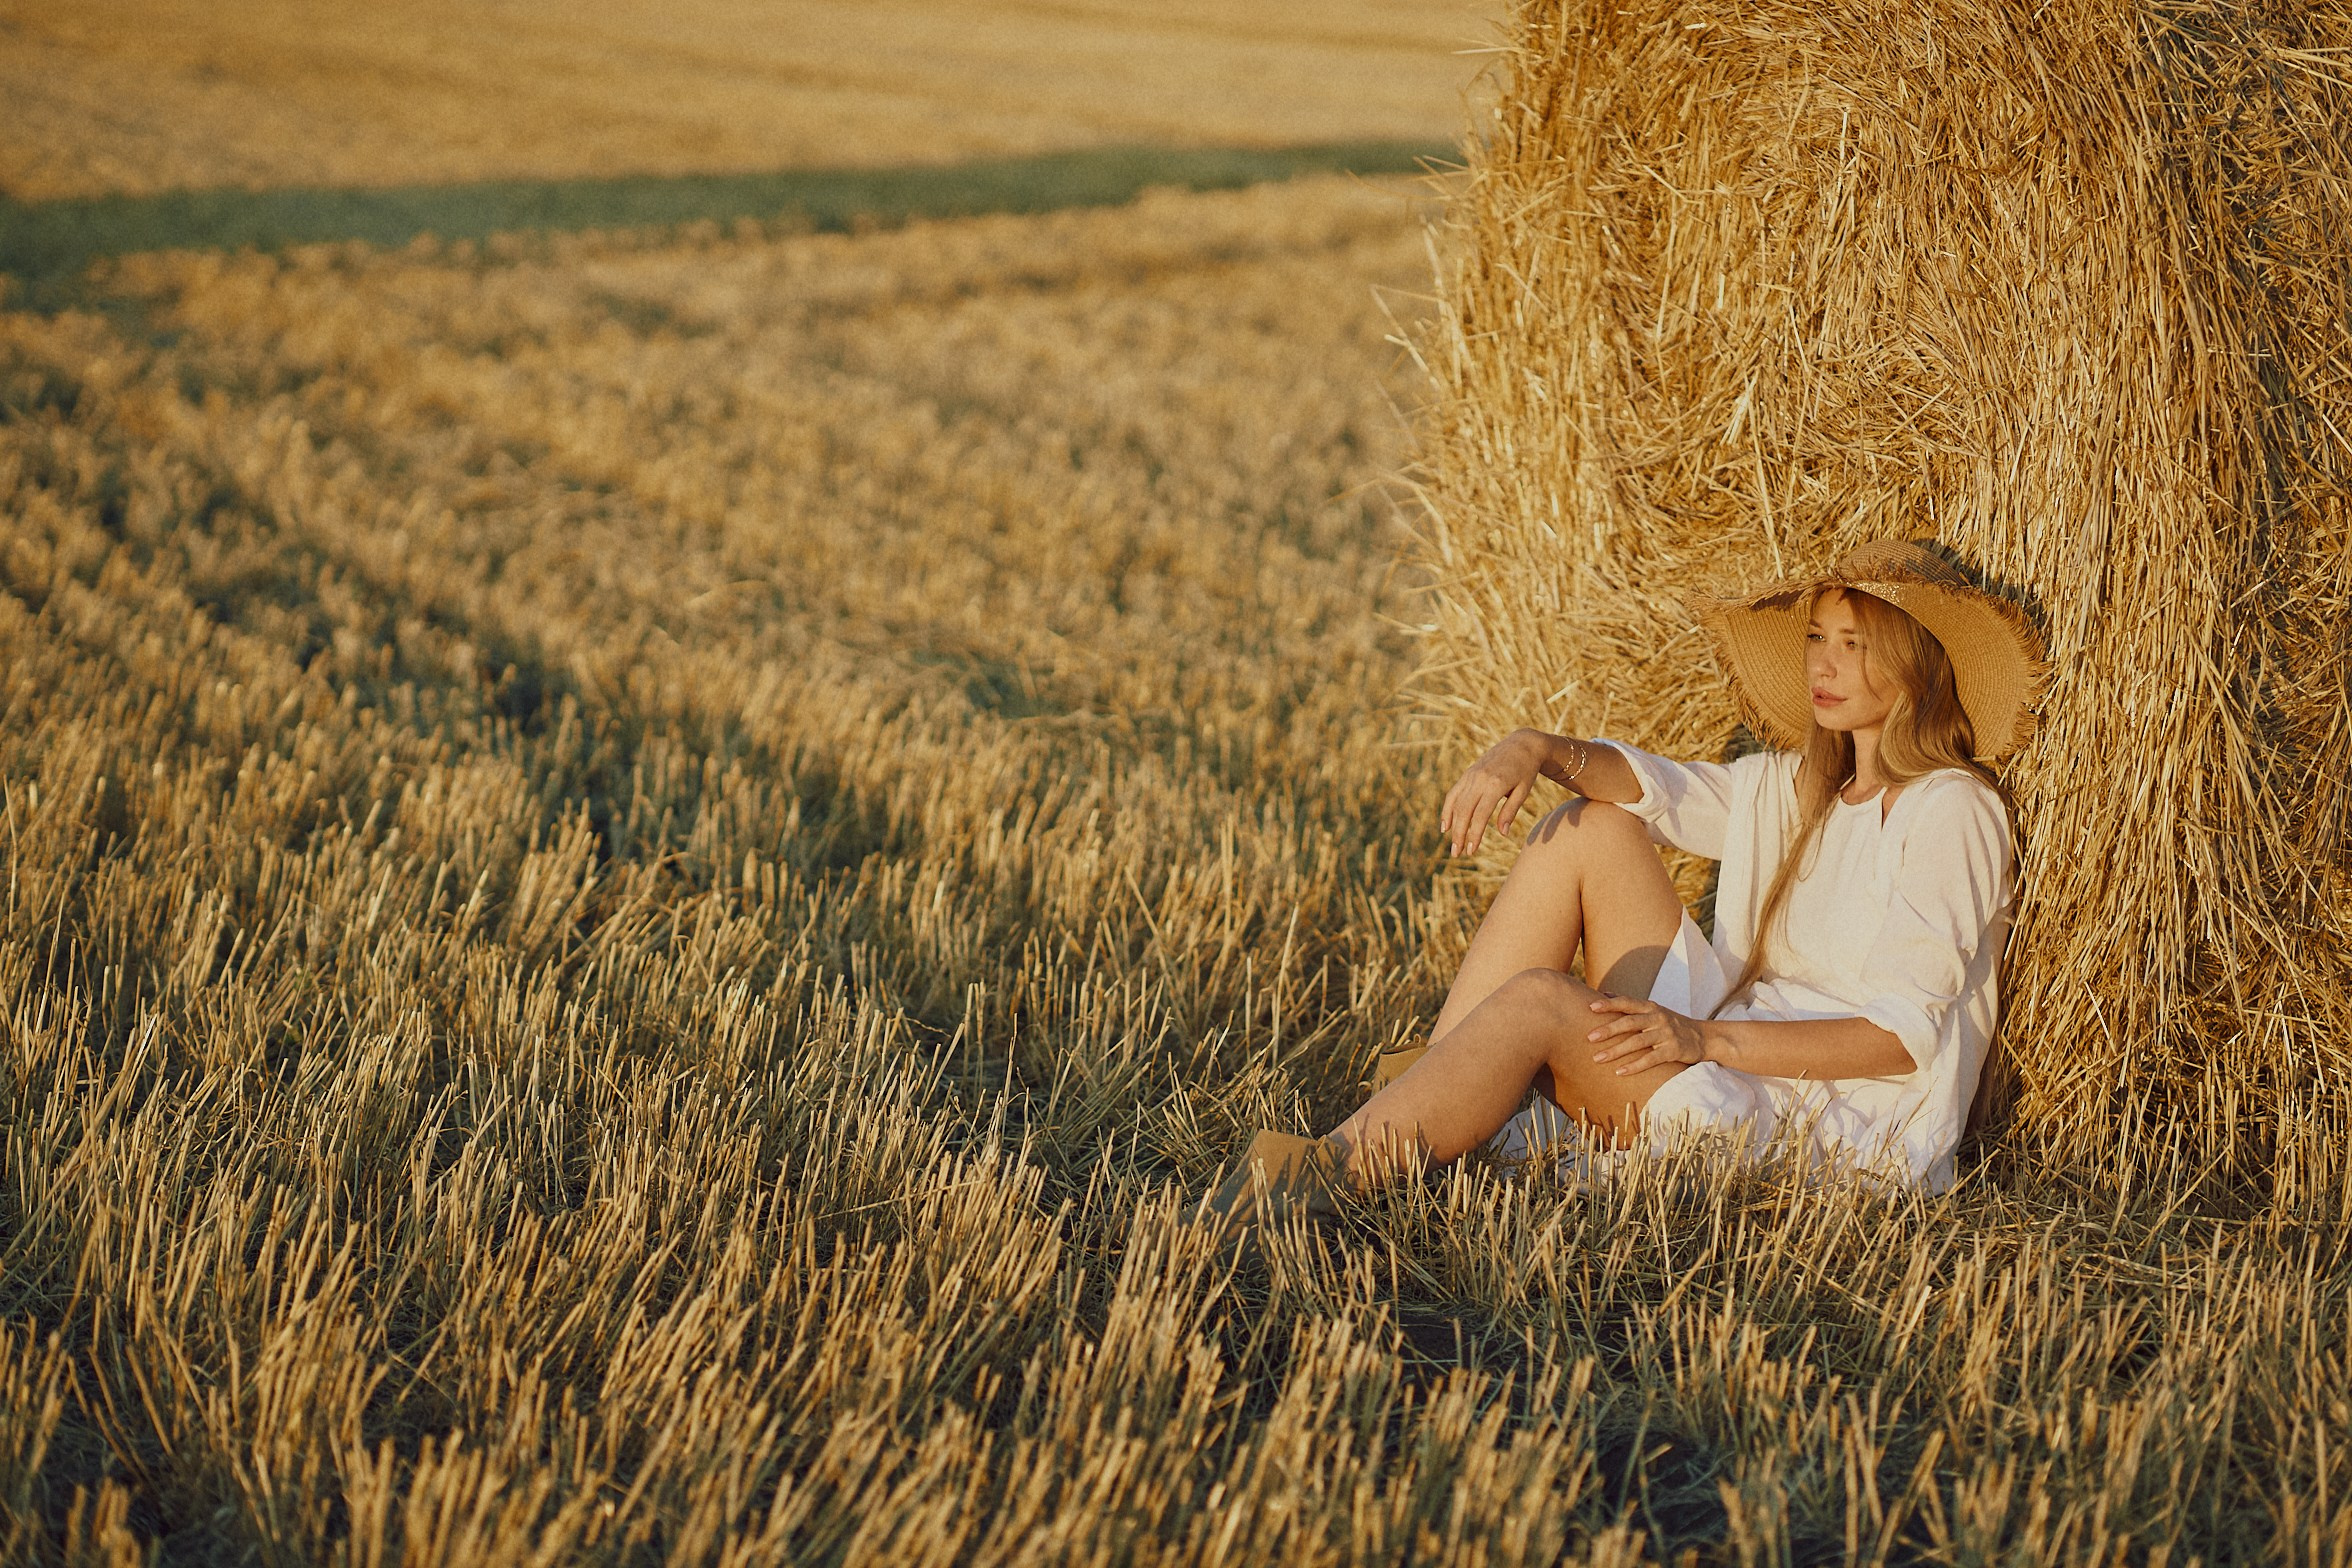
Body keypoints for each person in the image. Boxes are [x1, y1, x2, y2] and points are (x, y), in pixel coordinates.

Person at [1193, 540, 2046, 1236]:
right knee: (1592, 827)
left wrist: (1700, 1043)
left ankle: (1327, 1178)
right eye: (1817, 637)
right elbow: (1654, 790)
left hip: (1836, 1129)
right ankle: (1431, 1100)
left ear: (1913, 663)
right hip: (1731, 1053)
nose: (1823, 663)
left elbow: (1896, 1042)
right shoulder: (1800, 788)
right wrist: (1535, 747)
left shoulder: (1952, 812)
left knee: (1537, 1001)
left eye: (1852, 644)